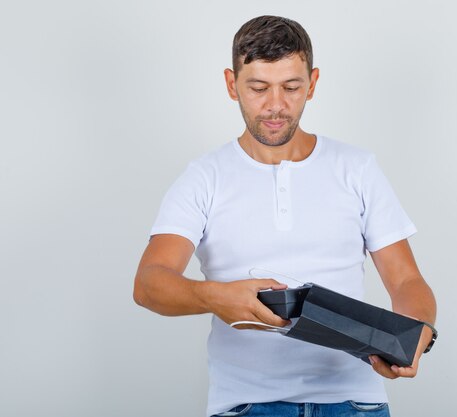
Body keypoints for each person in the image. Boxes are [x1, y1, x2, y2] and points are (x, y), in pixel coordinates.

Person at [133, 15, 437, 417]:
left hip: (356, 402)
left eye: (291, 88)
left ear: (312, 84)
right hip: (246, 406)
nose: (275, 105)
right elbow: (149, 283)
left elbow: (406, 279)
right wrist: (217, 297)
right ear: (231, 84)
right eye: (258, 88)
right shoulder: (204, 178)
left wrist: (416, 334)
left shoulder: (357, 168)